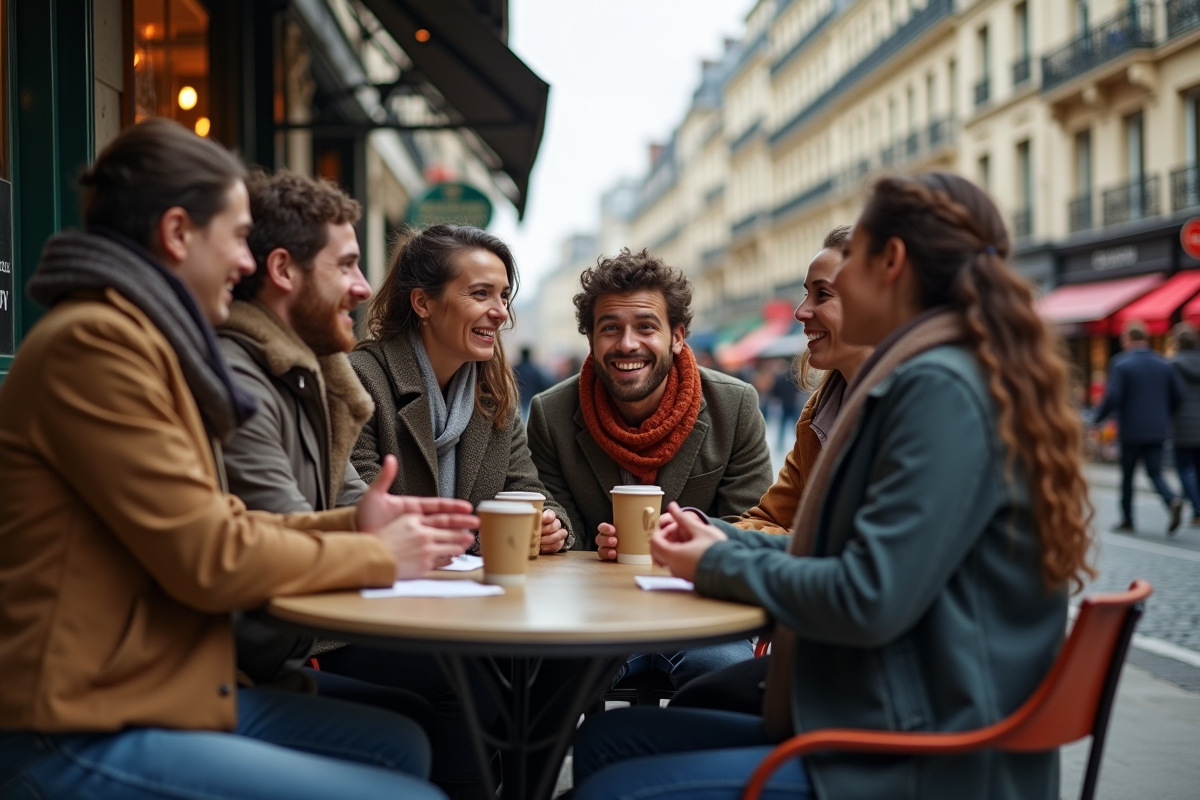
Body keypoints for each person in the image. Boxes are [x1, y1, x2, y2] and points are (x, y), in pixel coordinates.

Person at [571, 172, 1095, 800]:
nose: (804, 309)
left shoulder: (939, 390)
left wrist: (716, 565)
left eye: (836, 279)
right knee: (605, 742)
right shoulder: (932, 374)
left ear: (890, 263)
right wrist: (718, 543)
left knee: (612, 776)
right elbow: (835, 552)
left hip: (915, 754)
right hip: (893, 711)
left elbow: (867, 595)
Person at [0, 120, 478, 800]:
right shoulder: (99, 345)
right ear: (176, 233)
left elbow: (218, 522)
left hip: (158, 690)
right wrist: (379, 555)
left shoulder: (147, 341)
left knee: (400, 744)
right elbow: (209, 556)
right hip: (76, 722)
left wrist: (353, 527)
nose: (247, 261)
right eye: (234, 235)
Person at [218, 169, 508, 793]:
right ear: (282, 270)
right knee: (458, 697)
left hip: (259, 655)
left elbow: (352, 505)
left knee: (464, 694)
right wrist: (377, 542)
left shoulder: (307, 374)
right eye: (347, 265)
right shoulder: (247, 378)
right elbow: (272, 534)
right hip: (215, 671)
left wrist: (378, 526)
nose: (365, 286)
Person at [526, 248, 773, 689]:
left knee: (722, 672)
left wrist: (681, 542)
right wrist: (559, 532)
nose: (626, 344)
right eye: (610, 329)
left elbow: (752, 526)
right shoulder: (551, 412)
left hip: (700, 612)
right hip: (595, 613)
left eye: (646, 327)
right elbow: (558, 520)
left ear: (678, 336)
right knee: (547, 679)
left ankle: (667, 754)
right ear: (591, 339)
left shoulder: (733, 405)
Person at [669, 225, 871, 716]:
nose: (801, 312)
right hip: (835, 661)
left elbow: (850, 566)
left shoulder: (914, 412)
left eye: (822, 295)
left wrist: (716, 555)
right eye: (806, 293)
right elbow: (778, 517)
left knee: (635, 733)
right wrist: (702, 529)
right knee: (690, 700)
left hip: (863, 698)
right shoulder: (825, 408)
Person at [1093, 319, 1185, 534]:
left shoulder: (1122, 363)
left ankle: (1127, 518)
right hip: (1158, 427)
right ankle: (1171, 500)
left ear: (1128, 339)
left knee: (1128, 476)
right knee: (1155, 472)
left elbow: (1113, 396)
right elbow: (1178, 395)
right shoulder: (1163, 363)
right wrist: (1165, 414)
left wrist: (1098, 419)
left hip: (1132, 429)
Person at [1170, 322, 1200, 529]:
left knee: (1183, 468)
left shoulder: (1173, 365)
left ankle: (1197, 509)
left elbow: (1172, 395)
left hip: (1181, 424)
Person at [515, 345, 551, 419]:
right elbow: (544, 384)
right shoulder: (535, 370)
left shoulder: (516, 369)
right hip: (531, 399)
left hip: (518, 399)